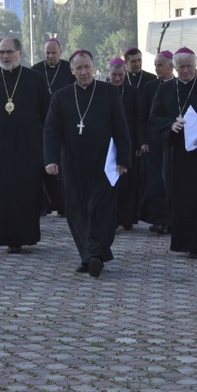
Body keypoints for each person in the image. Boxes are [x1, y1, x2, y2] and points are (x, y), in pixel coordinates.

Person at [44, 49, 131, 277]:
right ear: (71, 71)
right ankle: (90, 255)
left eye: (87, 67)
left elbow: (121, 128)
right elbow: (51, 131)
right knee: (77, 210)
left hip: (103, 161)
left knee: (101, 209)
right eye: (78, 68)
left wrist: (123, 159)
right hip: (71, 162)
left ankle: (92, 254)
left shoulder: (109, 93)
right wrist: (50, 160)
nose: (83, 72)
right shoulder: (61, 96)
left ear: (94, 68)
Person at [0, 37, 49, 254]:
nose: (5, 56)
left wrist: (47, 147)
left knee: (27, 193)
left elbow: (47, 114)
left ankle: (27, 236)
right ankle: (8, 238)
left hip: (29, 148)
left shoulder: (35, 79)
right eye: (1, 53)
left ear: (19, 53)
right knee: (3, 193)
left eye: (9, 52)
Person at [149, 47, 197, 258]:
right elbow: (154, 118)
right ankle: (183, 241)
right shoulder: (165, 90)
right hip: (175, 155)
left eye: (189, 66)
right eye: (181, 67)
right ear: (174, 67)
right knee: (177, 199)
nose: (185, 71)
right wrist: (170, 125)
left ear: (195, 66)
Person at [32, 38, 74, 216]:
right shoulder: (36, 70)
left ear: (61, 52)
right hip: (40, 124)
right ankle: (43, 204)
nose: (50, 56)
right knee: (41, 164)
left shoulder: (68, 69)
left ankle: (63, 205)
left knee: (61, 165)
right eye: (47, 53)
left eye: (53, 53)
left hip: (63, 123)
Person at [137, 51, 175, 234]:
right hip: (154, 142)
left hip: (175, 141)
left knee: (173, 182)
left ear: (171, 66)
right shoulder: (150, 87)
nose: (156, 68)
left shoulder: (179, 86)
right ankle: (160, 220)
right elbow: (142, 116)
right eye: (155, 65)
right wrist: (143, 140)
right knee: (156, 183)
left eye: (160, 65)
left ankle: (174, 218)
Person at [107, 57, 141, 231]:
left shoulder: (132, 92)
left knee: (127, 182)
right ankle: (112, 218)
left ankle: (127, 218)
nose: (118, 78)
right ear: (109, 73)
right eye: (114, 74)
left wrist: (139, 143)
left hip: (129, 141)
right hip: (107, 143)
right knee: (110, 182)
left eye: (121, 75)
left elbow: (138, 119)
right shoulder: (102, 91)